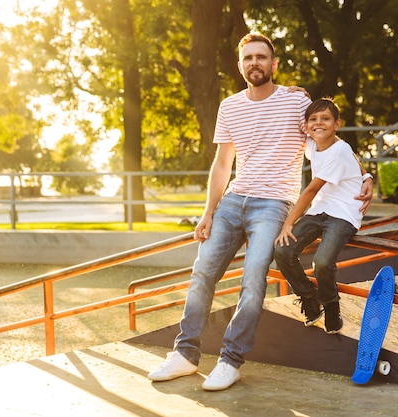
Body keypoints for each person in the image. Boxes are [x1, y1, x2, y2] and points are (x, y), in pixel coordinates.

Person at [147, 32, 374, 391]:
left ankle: (230, 360)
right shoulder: (229, 106)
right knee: (202, 273)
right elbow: (222, 164)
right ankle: (186, 355)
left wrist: (365, 175)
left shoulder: (295, 103)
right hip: (234, 200)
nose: (255, 63)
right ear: (240, 66)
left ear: (273, 64)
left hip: (274, 204)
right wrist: (207, 212)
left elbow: (328, 139)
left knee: (253, 280)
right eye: (248, 58)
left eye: (261, 57)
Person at [274, 97, 372, 335]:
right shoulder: (312, 142)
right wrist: (367, 175)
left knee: (323, 262)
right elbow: (299, 112)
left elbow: (310, 190)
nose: (319, 123)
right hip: (320, 210)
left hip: (344, 214)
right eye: (314, 119)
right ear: (307, 125)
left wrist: (289, 223)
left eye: (326, 119)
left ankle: (330, 305)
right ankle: (309, 298)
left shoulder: (339, 151)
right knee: (282, 251)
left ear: (337, 124)